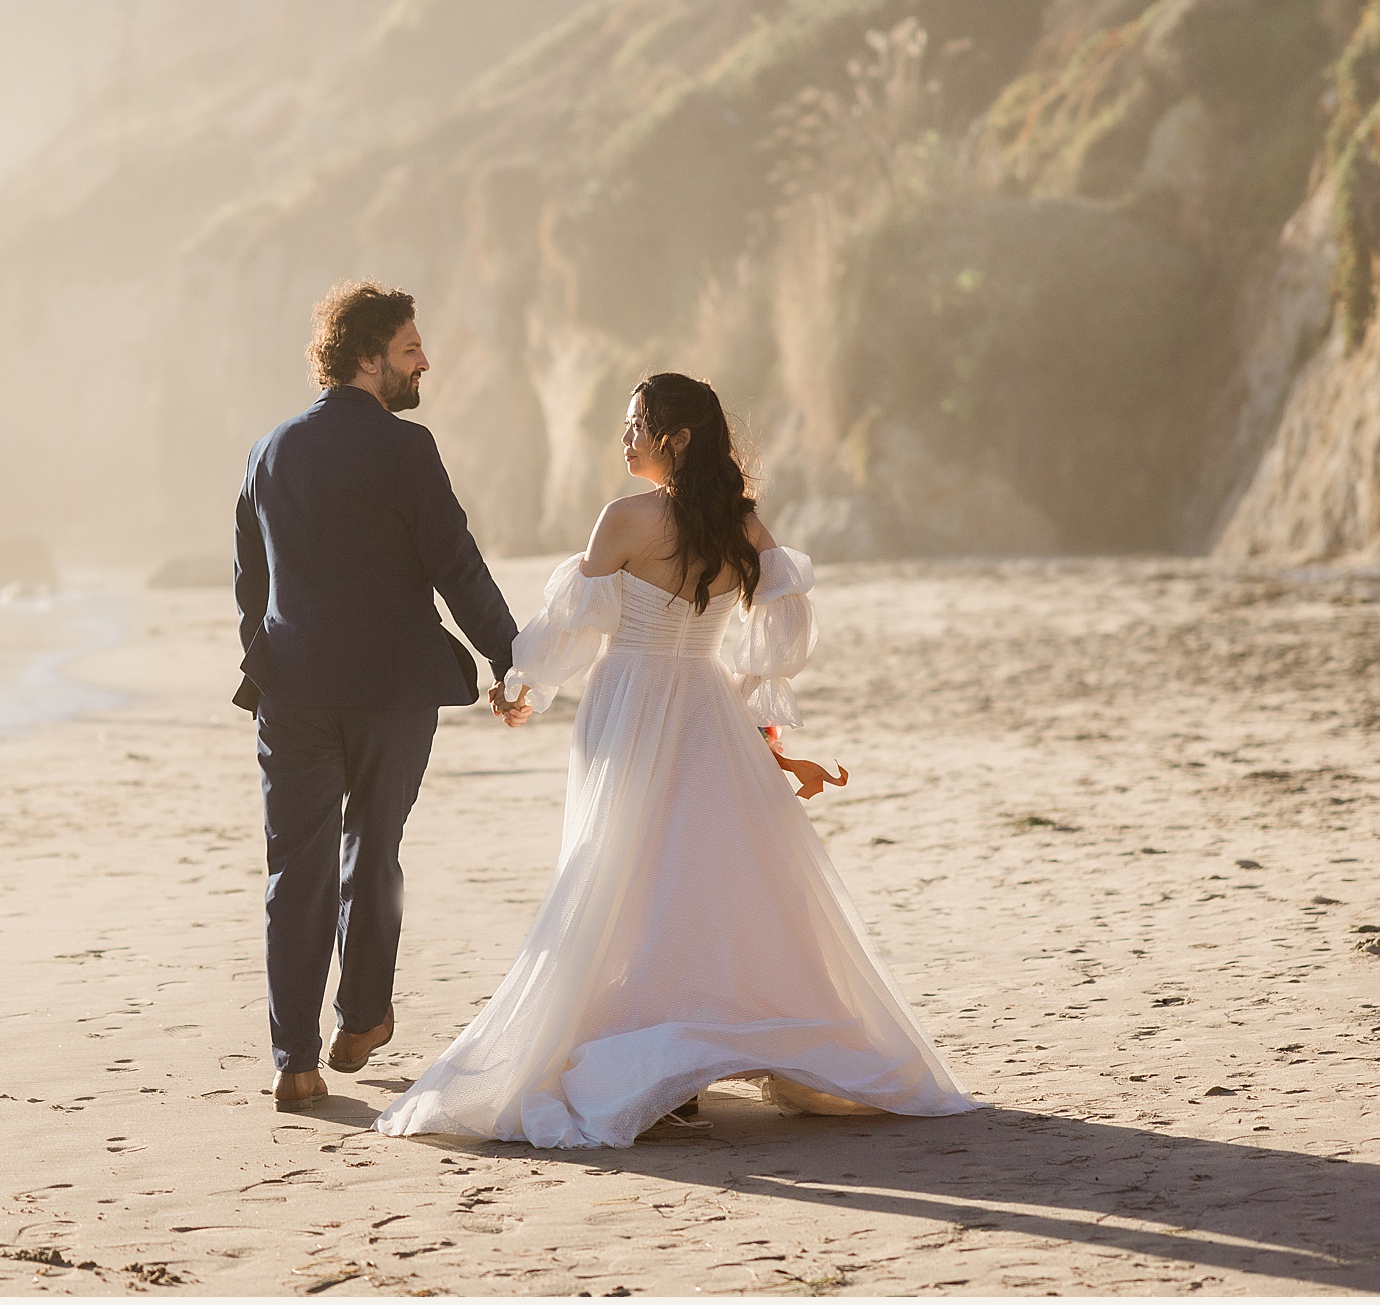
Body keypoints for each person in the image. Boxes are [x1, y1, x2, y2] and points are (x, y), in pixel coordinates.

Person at [374, 372, 983, 1147]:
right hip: (706, 706)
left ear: (678, 437)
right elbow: (782, 633)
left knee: (622, 873)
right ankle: (686, 1056)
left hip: (628, 707)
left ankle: (658, 1063)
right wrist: (754, 705)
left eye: (637, 422)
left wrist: (521, 685)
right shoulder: (743, 524)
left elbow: (572, 630)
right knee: (694, 877)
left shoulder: (625, 519)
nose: (624, 435)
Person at [233, 280, 531, 1112]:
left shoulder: (268, 450)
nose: (422, 361)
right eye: (408, 348)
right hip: (392, 688)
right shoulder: (406, 448)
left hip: (291, 690)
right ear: (366, 357)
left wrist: (269, 657)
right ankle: (361, 1017)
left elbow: (248, 583)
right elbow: (454, 561)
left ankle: (294, 1060)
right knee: (375, 844)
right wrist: (510, 657)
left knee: (294, 868)